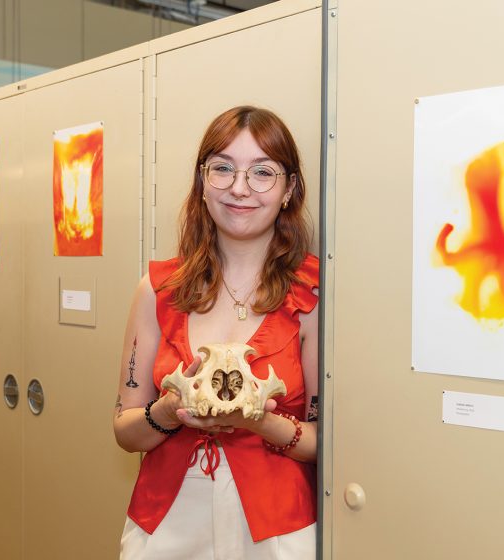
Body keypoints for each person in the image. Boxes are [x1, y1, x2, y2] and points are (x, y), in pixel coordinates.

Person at [113, 106, 319, 559]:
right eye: (222, 168)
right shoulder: (157, 289)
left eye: (263, 172)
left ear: (289, 189)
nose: (240, 188)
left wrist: (259, 420)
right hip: (166, 523)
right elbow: (125, 429)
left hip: (276, 528)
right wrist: (169, 412)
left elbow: (324, 441)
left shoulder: (313, 294)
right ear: (202, 183)